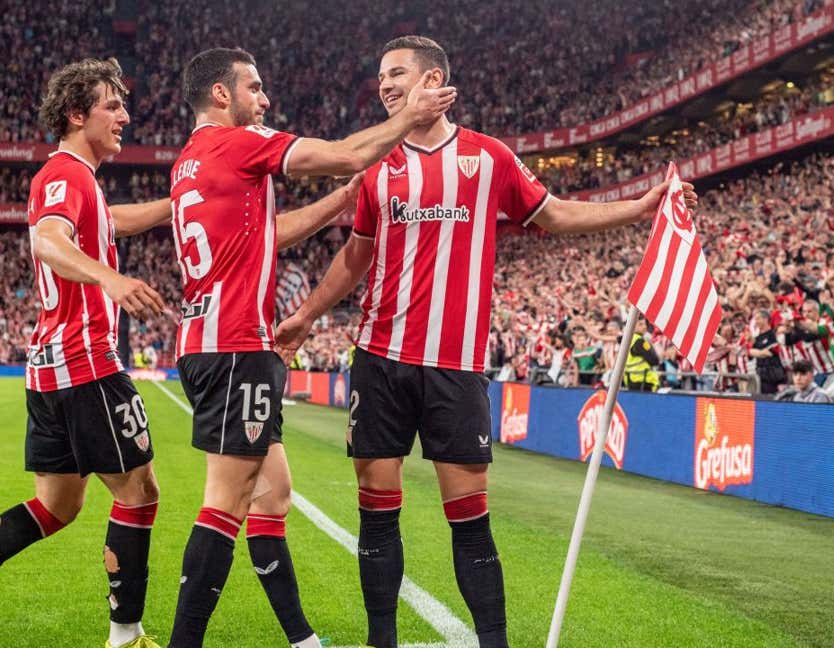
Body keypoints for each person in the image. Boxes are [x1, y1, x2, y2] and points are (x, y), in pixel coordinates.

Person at [274, 35, 696, 648]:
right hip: (380, 358)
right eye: (382, 77)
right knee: (377, 506)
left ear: (433, 80)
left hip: (456, 365)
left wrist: (638, 208)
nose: (385, 86)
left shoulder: (487, 157)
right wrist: (307, 316)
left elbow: (553, 214)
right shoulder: (376, 165)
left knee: (470, 518)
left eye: (397, 74)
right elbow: (356, 255)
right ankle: (380, 641)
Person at [165, 47, 455, 648]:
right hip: (236, 346)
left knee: (274, 497)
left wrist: (344, 201)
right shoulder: (238, 143)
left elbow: (268, 234)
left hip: (209, 341)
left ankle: (302, 638)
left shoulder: (190, 162)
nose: (265, 99)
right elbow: (349, 153)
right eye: (255, 87)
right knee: (226, 501)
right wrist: (409, 116)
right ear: (223, 94)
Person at [0, 58, 172, 648]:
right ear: (78, 115)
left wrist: (176, 206)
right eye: (112, 105)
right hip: (86, 363)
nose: (125, 115)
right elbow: (48, 239)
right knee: (139, 492)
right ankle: (126, 637)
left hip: (50, 368)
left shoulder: (83, 184)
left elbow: (110, 221)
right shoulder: (65, 175)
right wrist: (110, 280)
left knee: (56, 505)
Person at [622, 317, 661, 391]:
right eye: (640, 324)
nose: (645, 327)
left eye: (645, 324)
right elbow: (655, 360)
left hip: (630, 379)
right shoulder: (640, 341)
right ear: (632, 326)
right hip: (644, 380)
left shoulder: (626, 339)